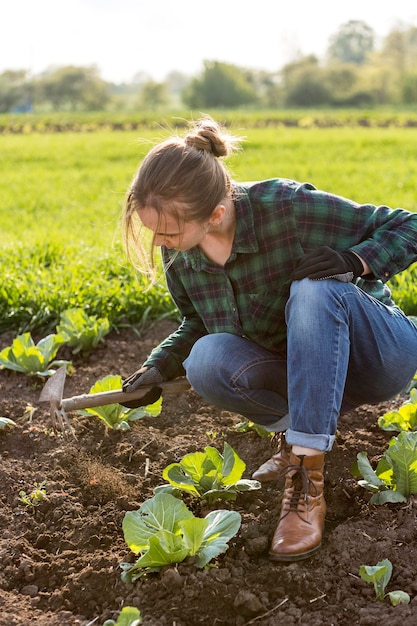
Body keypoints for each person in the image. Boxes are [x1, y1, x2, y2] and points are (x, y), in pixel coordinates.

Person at [120, 115, 417, 562]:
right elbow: (198, 324)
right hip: (306, 373)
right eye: (154, 231)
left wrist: (355, 261)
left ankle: (306, 486)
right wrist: (157, 366)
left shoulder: (287, 207)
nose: (160, 241)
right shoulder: (181, 254)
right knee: (205, 358)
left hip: (377, 357)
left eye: (168, 231)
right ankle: (297, 439)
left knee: (315, 290)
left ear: (216, 214)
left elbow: (408, 225)